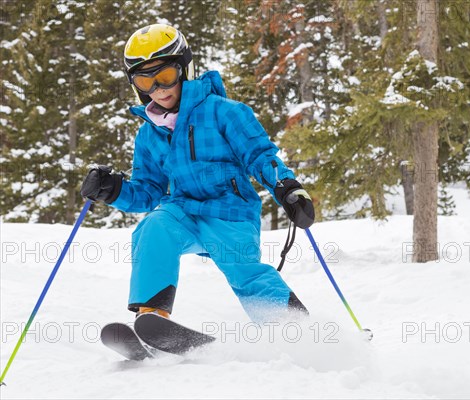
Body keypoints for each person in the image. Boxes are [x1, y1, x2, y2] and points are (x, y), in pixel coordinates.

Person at [80, 24, 314, 323]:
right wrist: (113, 190)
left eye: (164, 76)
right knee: (154, 228)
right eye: (144, 80)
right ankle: (152, 317)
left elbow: (259, 156)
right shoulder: (148, 134)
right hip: (184, 212)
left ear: (184, 69)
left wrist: (286, 187)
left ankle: (298, 330)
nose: (158, 89)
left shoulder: (225, 112)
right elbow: (148, 191)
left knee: (245, 272)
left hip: (230, 211)